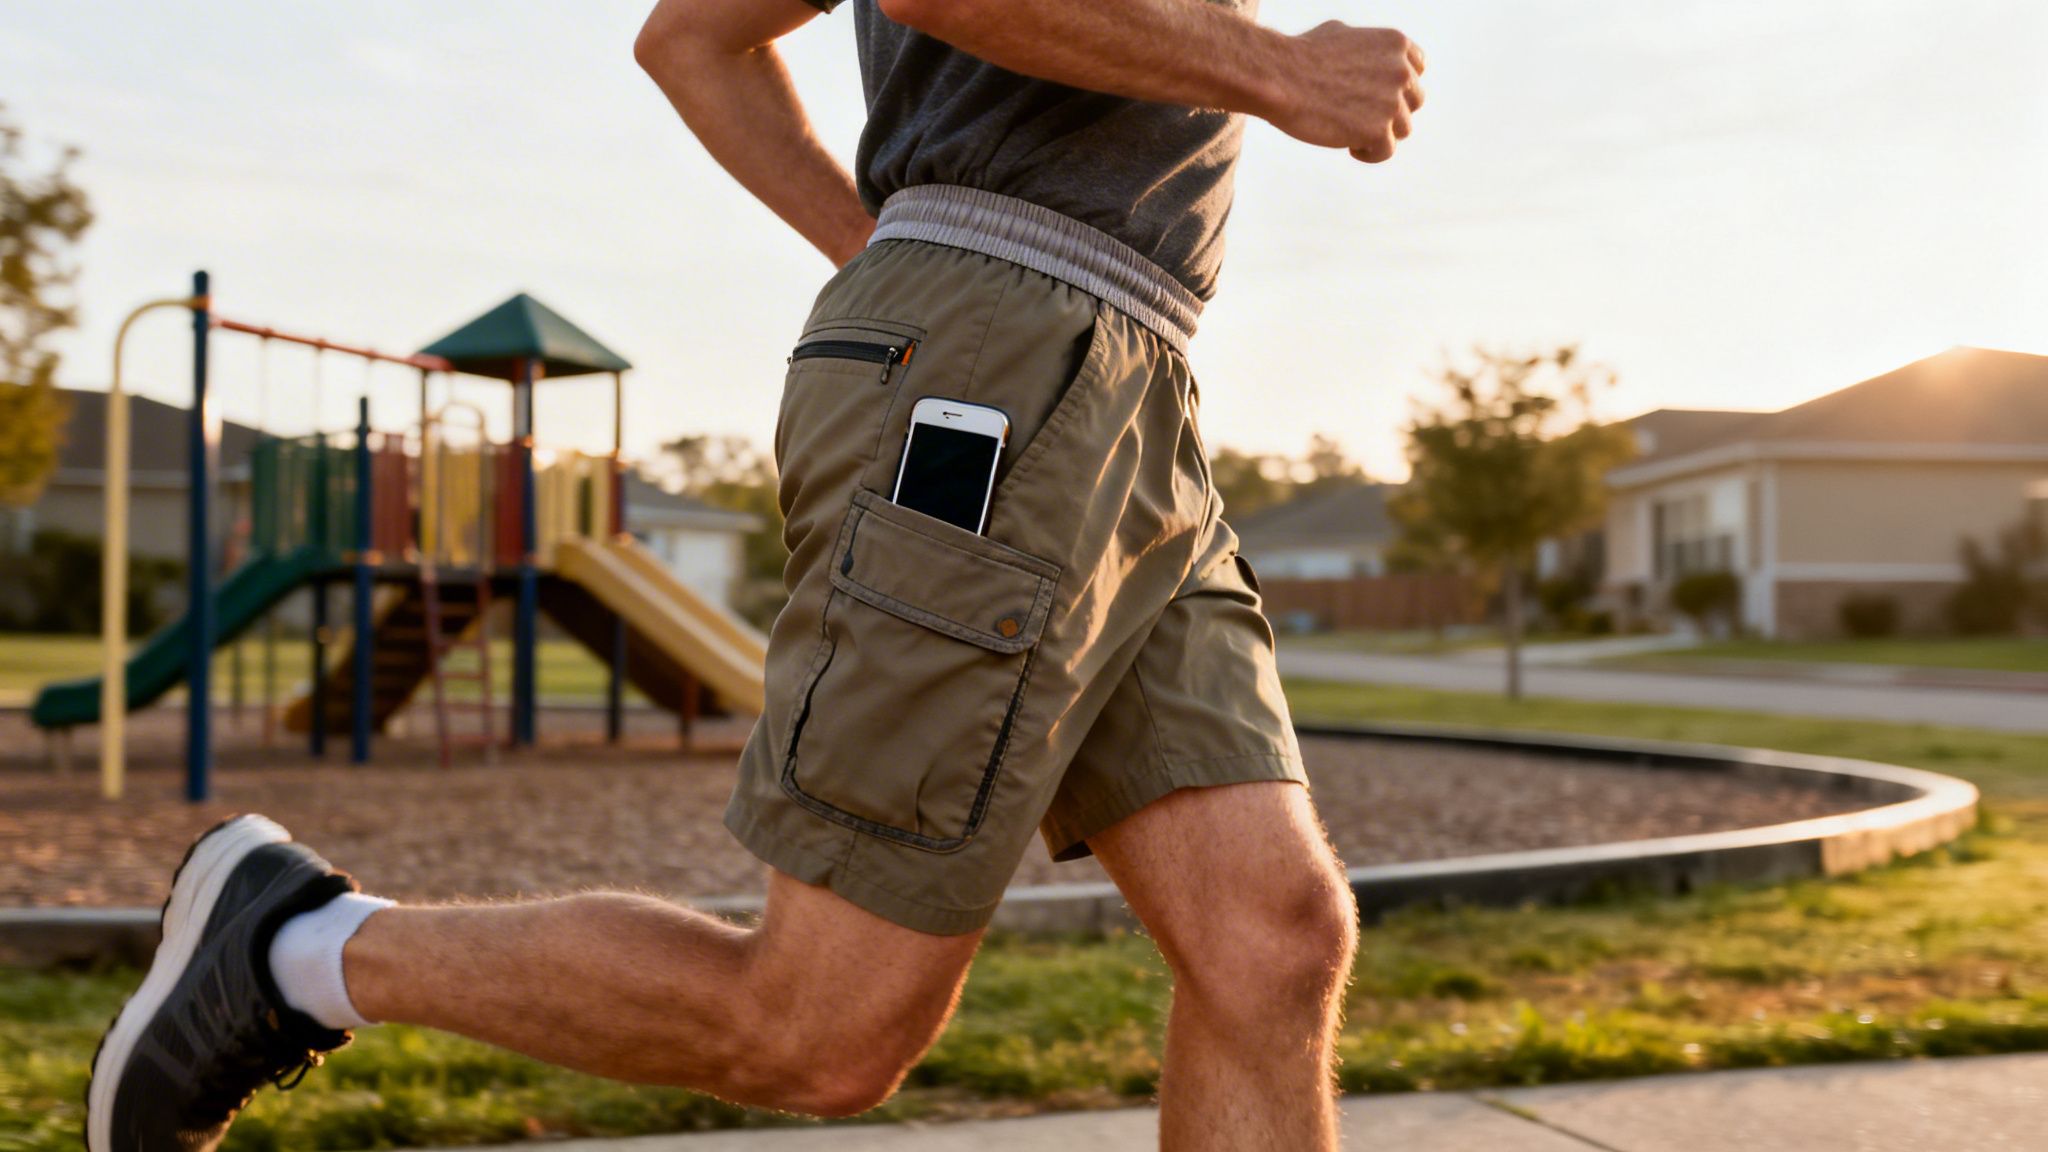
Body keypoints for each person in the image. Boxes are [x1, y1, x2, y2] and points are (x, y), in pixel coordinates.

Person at [85, 2, 1424, 1149]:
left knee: (1272, 940)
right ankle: (292, 950)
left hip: (1129, 387)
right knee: (824, 1027)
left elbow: (691, 37)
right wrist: (1273, 67)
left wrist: (891, 257)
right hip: (1008, 371)